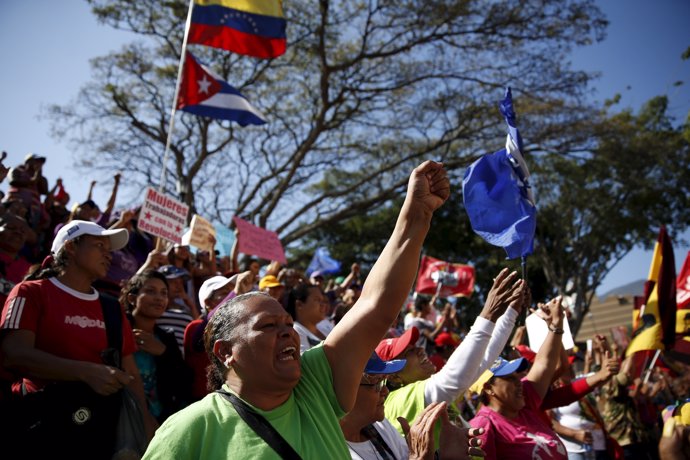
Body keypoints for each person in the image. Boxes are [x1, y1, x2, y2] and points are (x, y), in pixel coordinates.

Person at [142, 160, 450, 459]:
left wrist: (418, 214)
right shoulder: (188, 431)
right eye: (268, 325)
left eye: (288, 323)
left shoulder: (314, 384)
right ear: (226, 351)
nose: (288, 331)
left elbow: (375, 307)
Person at [0, 220, 156, 458]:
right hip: (40, 427)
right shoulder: (29, 292)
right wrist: (86, 372)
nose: (109, 255)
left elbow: (131, 373)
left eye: (109, 249)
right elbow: (13, 354)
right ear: (71, 247)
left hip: (98, 431)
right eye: (99, 246)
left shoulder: (112, 307)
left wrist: (144, 423)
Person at [377, 268, 526, 439]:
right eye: (409, 351)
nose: (420, 349)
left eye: (416, 346)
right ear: (394, 377)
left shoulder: (433, 397)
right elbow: (452, 378)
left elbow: (484, 359)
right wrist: (488, 314)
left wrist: (511, 311)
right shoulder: (396, 401)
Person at [469, 296, 568, 459]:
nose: (520, 383)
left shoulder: (524, 403)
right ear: (488, 388)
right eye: (510, 379)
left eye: (517, 376)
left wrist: (556, 325)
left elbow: (544, 364)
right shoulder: (483, 427)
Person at [340, 352, 486, 459]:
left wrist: (440, 456)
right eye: (375, 383)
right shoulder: (327, 449)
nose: (385, 390)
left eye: (383, 381)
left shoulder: (380, 425)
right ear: (342, 390)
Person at [120, 270, 193, 423]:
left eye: (164, 293)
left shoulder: (166, 338)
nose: (159, 298)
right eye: (150, 291)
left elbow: (185, 382)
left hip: (161, 421)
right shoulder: (117, 330)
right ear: (132, 298)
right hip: (122, 416)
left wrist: (164, 352)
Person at [286, 282, 330, 354]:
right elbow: (306, 363)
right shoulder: (294, 331)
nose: (323, 305)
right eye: (317, 300)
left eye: (323, 301)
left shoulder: (324, 328)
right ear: (299, 305)